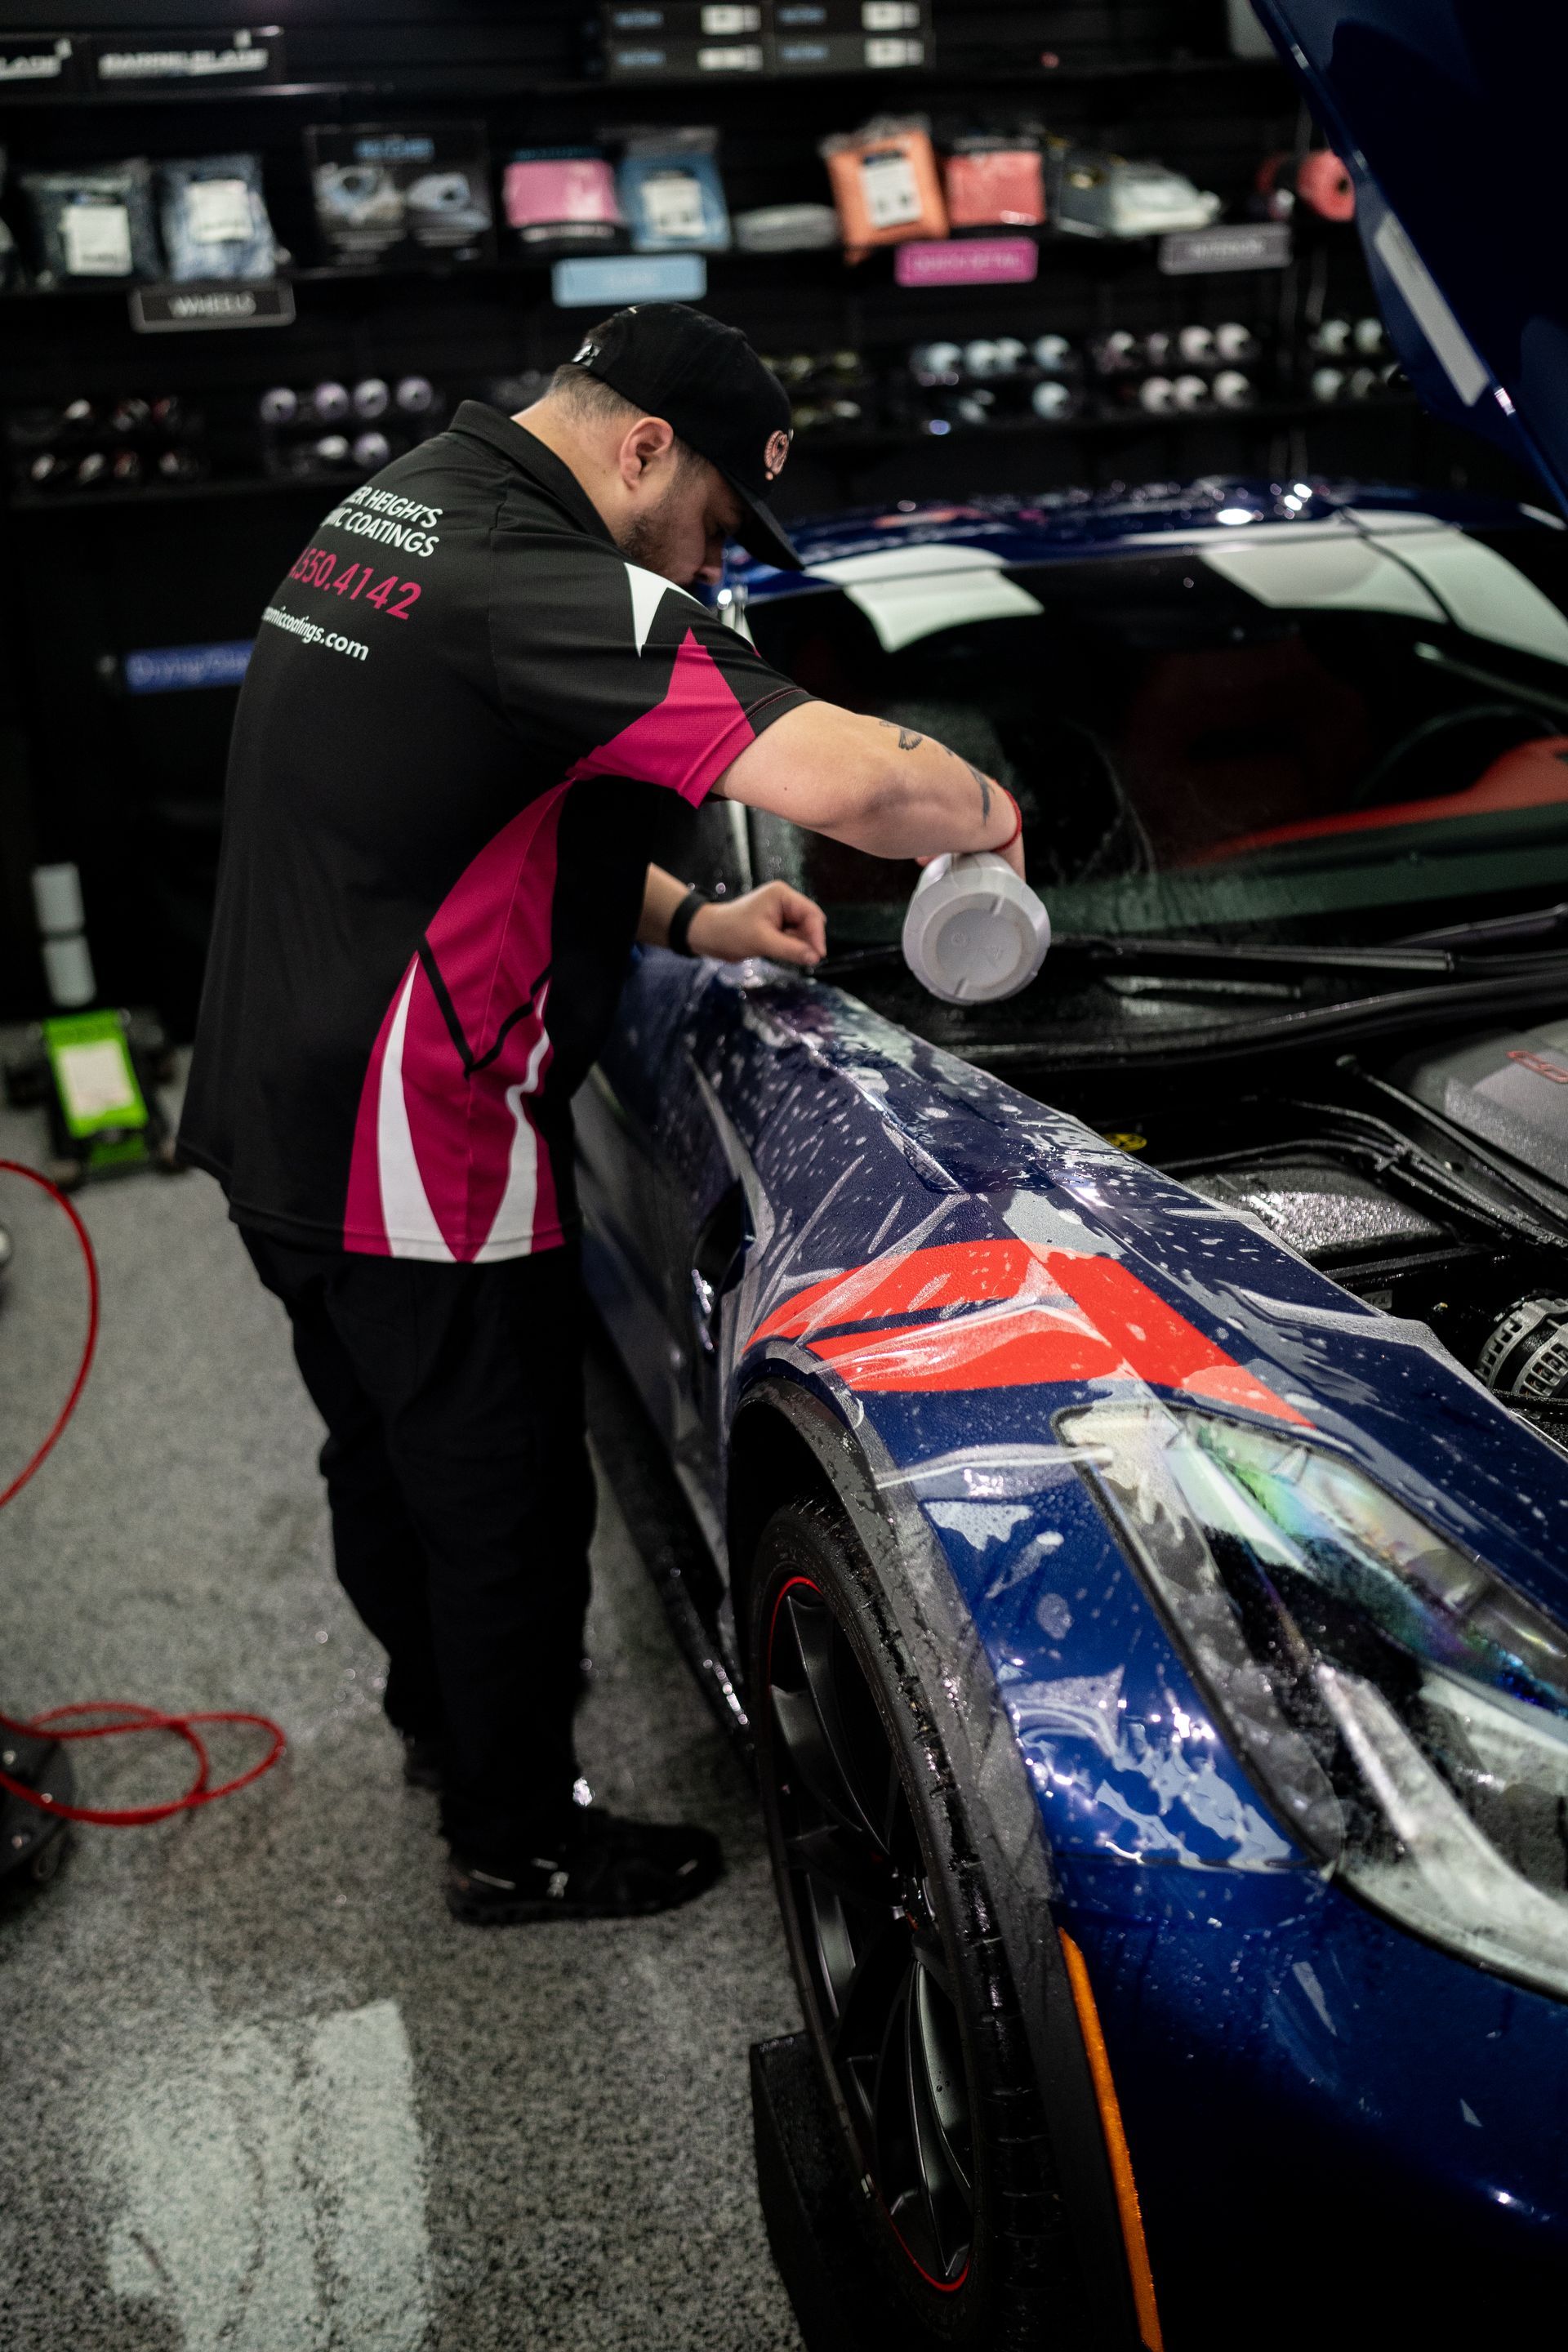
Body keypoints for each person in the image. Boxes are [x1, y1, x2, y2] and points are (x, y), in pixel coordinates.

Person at [178, 304, 1026, 1926]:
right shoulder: (550, 581)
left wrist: (695, 924)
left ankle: (440, 1733)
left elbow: (471, 802)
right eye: (709, 525)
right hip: (411, 1136)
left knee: (382, 1451)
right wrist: (986, 810)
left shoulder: (408, 506)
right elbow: (842, 780)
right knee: (504, 1498)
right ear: (642, 449)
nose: (707, 569)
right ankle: (520, 1843)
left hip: (272, 1096)